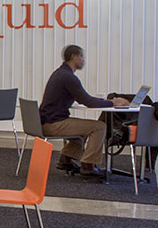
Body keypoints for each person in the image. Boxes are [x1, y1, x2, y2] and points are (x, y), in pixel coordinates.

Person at [39, 45, 130, 177]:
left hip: (47, 122)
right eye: (82, 56)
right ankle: (88, 165)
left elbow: (85, 99)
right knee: (99, 127)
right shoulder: (68, 77)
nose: (84, 60)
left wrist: (106, 101)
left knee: (84, 128)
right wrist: (113, 102)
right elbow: (88, 102)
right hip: (53, 124)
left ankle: (66, 159)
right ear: (74, 57)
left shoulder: (60, 73)